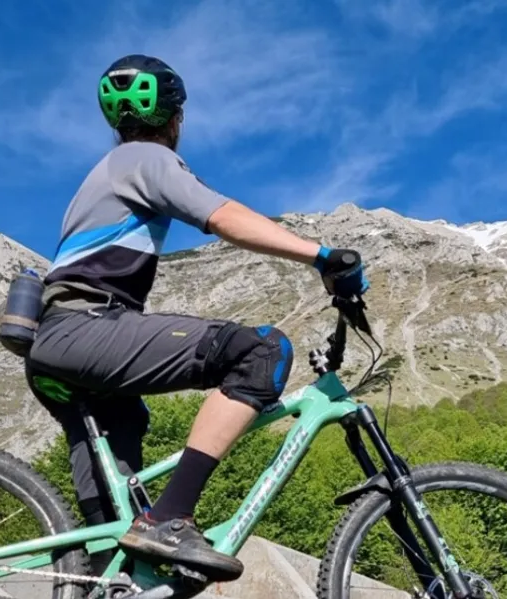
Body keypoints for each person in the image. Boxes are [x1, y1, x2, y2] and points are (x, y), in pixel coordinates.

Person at [24, 54, 369, 583]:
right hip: (86, 328)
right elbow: (222, 216)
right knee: (261, 351)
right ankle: (170, 518)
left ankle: (107, 576)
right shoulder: (146, 158)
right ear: (176, 118)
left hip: (59, 344)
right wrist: (323, 257)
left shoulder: (111, 168)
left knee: (120, 531)